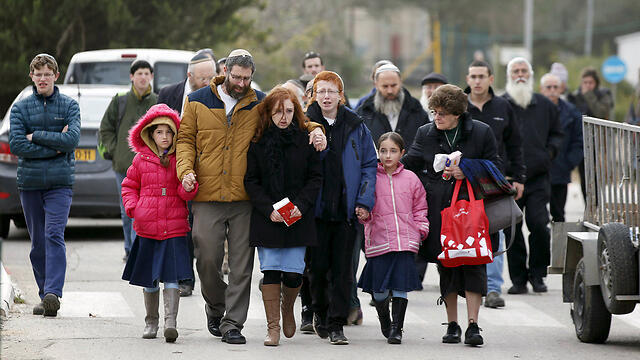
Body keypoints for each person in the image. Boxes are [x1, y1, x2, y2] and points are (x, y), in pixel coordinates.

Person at [176, 49, 326, 345]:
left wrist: (316, 129)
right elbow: (185, 140)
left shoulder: (258, 101)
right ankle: (216, 307)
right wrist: (185, 171)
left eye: (247, 78)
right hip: (207, 193)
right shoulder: (196, 101)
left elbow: (293, 115)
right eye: (237, 77)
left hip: (244, 198)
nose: (242, 83)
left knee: (242, 266)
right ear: (225, 71)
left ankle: (233, 323)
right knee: (206, 258)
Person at [402, 84, 499, 346]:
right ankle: (453, 324)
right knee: (447, 265)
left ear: (457, 113)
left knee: (474, 264)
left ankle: (473, 325)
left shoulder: (481, 131)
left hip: (473, 212)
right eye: (434, 112)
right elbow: (410, 162)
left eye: (442, 113)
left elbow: (496, 167)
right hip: (439, 210)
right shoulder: (425, 132)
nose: (437, 117)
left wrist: (466, 168)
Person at [244, 86, 323, 346]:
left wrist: (301, 205)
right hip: (268, 216)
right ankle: (273, 328)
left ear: (296, 112)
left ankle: (288, 307)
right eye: (278, 112)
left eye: (289, 111)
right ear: (269, 113)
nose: (284, 117)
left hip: (298, 216)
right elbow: (251, 181)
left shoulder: (305, 138)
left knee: (293, 274)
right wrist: (269, 209)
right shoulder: (257, 141)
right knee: (271, 272)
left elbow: (315, 178)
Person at [305, 70, 377, 345]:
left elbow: (370, 164)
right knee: (317, 269)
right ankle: (319, 313)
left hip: (346, 212)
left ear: (340, 95)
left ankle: (337, 324)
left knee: (343, 270)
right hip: (316, 210)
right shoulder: (305, 123)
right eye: (320, 91)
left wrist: (364, 200)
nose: (326, 96)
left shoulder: (356, 125)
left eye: (331, 91)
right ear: (314, 95)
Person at [9, 53, 81, 317]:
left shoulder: (70, 106)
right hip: (29, 183)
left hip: (60, 184)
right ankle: (44, 296)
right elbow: (17, 145)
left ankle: (53, 293)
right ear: (32, 77)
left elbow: (71, 141)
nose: (42, 78)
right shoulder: (20, 109)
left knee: (54, 235)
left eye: (47, 74)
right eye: (37, 74)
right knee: (38, 242)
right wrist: (55, 146)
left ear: (56, 76)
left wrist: (36, 136)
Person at [121, 104, 197, 343]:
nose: (164, 137)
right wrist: (135, 208)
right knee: (150, 278)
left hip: (174, 229)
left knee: (172, 277)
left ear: (175, 134)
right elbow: (129, 186)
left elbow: (187, 194)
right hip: (148, 229)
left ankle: (170, 322)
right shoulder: (140, 160)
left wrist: (188, 186)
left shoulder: (180, 160)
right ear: (150, 134)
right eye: (159, 132)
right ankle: (151, 321)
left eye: (169, 132)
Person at [464, 60, 525, 309]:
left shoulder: (503, 106)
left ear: (491, 79)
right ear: (467, 79)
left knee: (495, 232)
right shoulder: (459, 105)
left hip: (494, 182)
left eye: (482, 76)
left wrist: (519, 177)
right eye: (473, 76)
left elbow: (515, 145)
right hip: (463, 179)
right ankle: (467, 284)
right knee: (465, 232)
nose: (477, 81)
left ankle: (492, 288)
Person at [357, 132, 428, 344]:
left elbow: (420, 208)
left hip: (405, 242)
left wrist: (420, 229)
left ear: (402, 153)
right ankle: (385, 320)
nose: (388, 155)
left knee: (400, 286)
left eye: (393, 151)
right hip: (379, 241)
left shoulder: (411, 179)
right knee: (379, 291)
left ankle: (397, 329)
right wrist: (364, 215)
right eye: (383, 151)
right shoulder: (370, 178)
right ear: (377, 152)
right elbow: (364, 206)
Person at [157, 52, 217, 297]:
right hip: (173, 167)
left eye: (210, 77)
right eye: (202, 78)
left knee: (197, 227)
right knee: (179, 226)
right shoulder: (168, 94)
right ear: (189, 75)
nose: (207, 82)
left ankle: (203, 276)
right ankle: (185, 278)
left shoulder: (217, 96)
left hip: (205, 169)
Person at [502, 57, 564, 294]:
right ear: (509, 75)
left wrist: (549, 153)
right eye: (515, 71)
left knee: (539, 226)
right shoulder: (501, 104)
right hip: (508, 179)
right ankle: (518, 280)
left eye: (523, 71)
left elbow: (558, 134)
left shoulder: (545, 105)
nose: (520, 74)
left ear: (531, 75)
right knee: (512, 230)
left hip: (538, 178)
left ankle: (538, 275)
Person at [99, 60, 157, 261]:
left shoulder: (157, 101)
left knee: (145, 211)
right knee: (127, 212)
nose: (143, 77)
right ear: (132, 76)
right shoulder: (120, 100)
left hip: (150, 168)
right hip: (123, 167)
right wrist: (115, 151)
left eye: (146, 73)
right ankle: (129, 249)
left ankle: (138, 251)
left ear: (151, 76)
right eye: (139, 73)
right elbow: (105, 129)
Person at [540, 73, 583, 222]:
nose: (552, 90)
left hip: (561, 169)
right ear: (542, 89)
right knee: (537, 215)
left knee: (558, 214)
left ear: (561, 89)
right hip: (538, 171)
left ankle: (559, 245)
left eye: (555, 87)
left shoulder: (571, 112)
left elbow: (579, 140)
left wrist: (569, 163)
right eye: (548, 87)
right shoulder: (533, 110)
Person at [357, 63, 429, 152]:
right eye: (385, 86)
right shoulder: (364, 112)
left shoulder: (416, 110)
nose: (390, 91)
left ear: (401, 82)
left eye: (394, 85)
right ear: (376, 85)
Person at [569, 67, 614, 203]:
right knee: (577, 176)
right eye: (585, 82)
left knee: (592, 177)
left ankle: (594, 208)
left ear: (596, 83)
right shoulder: (575, 96)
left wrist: (589, 95)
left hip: (596, 142)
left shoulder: (603, 95)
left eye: (590, 83)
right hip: (578, 141)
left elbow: (601, 112)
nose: (587, 86)